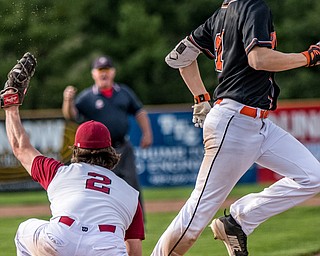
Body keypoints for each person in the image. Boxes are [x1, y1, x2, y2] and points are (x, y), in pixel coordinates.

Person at [151, 0, 320, 255]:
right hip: (234, 122)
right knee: (196, 216)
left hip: (257, 124)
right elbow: (258, 59)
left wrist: (200, 98)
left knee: (312, 177)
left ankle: (238, 222)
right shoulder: (254, 7)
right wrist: (308, 57)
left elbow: (179, 55)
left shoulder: (221, 13)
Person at [4, 94, 145, 255]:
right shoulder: (130, 194)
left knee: (24, 230)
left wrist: (11, 107)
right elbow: (134, 251)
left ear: (76, 149)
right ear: (110, 151)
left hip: (60, 238)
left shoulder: (58, 172)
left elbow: (20, 148)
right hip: (106, 248)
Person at [62, 55, 153, 220]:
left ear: (113, 72)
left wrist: (147, 133)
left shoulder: (123, 92)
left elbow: (139, 111)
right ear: (93, 74)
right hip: (98, 153)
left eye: (107, 70)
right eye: (100, 70)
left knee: (132, 187)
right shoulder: (87, 97)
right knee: (101, 188)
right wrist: (68, 100)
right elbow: (71, 115)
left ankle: (137, 224)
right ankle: (102, 221)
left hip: (123, 147)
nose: (104, 74)